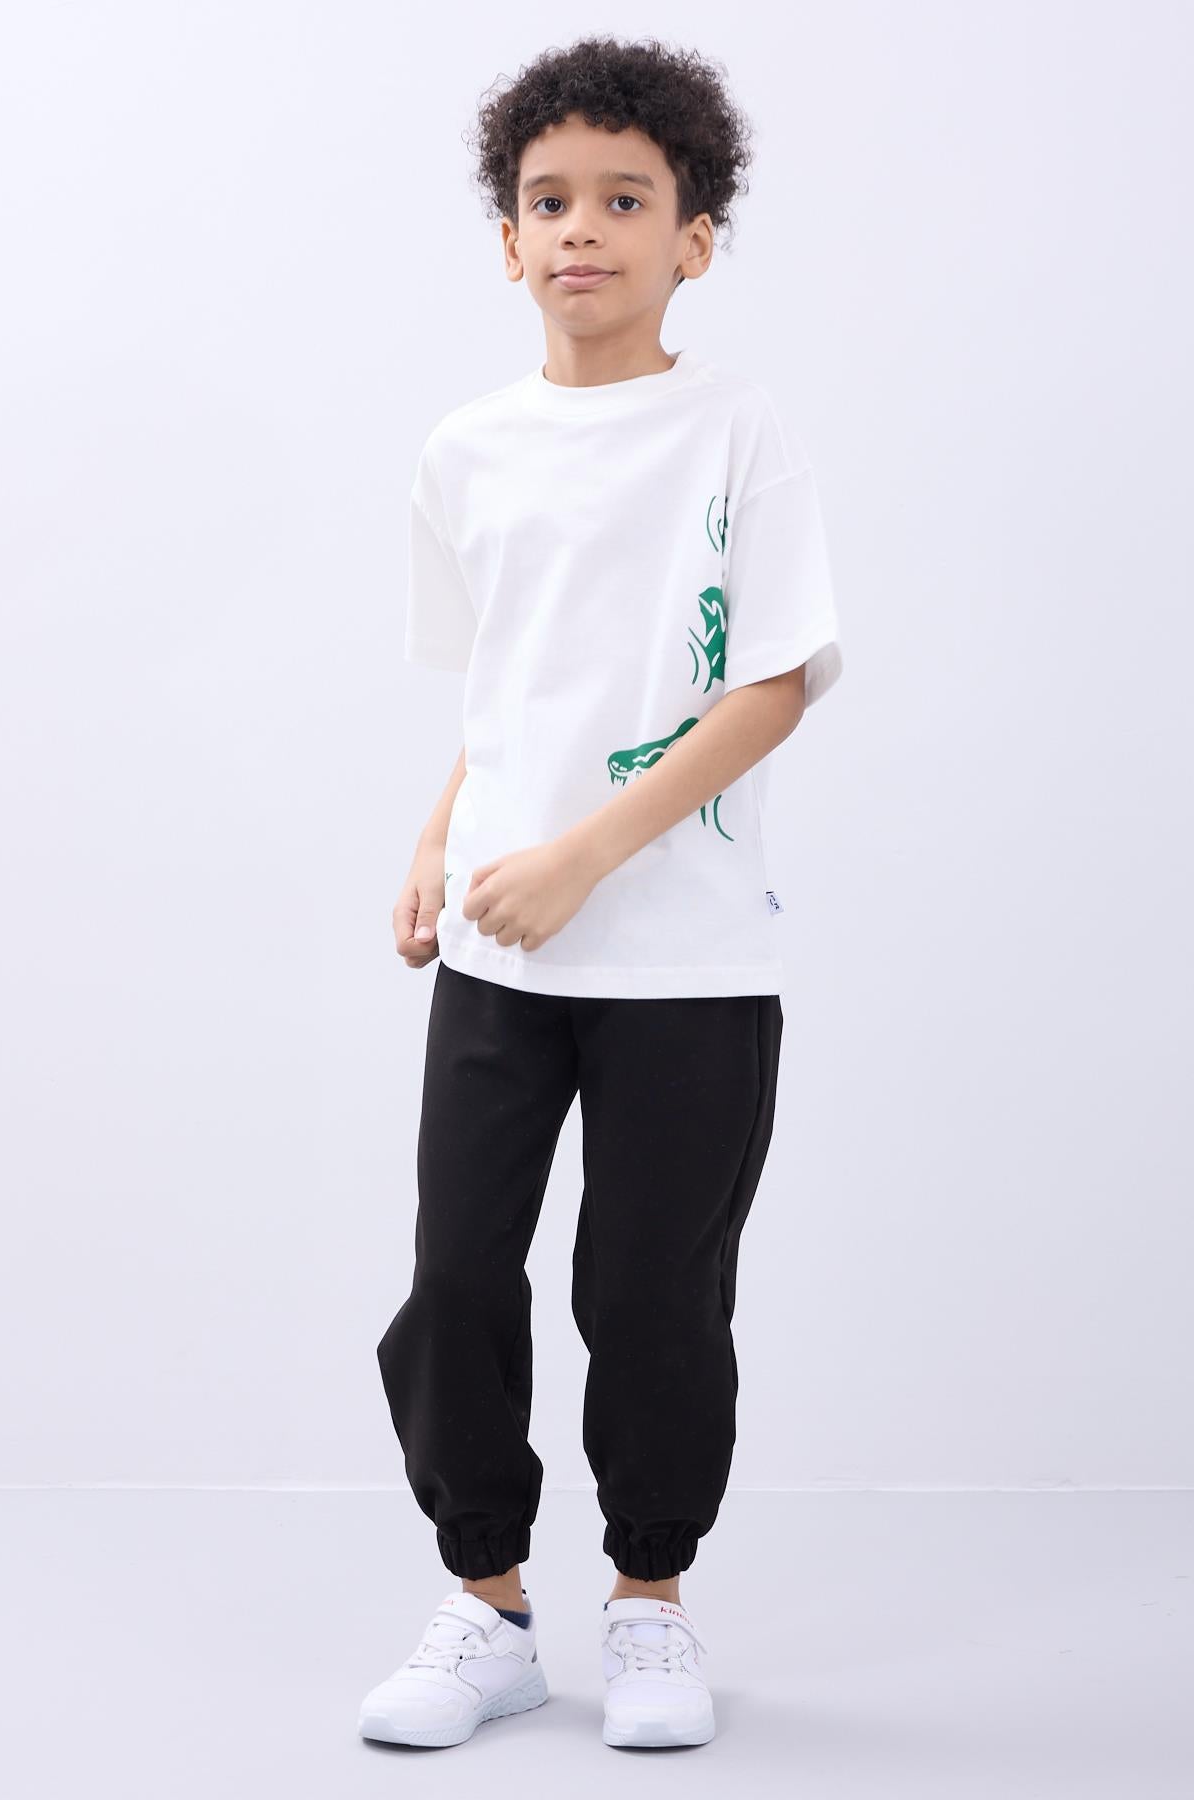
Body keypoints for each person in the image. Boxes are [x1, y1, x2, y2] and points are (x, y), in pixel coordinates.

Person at [359, 34, 844, 1753]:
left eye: (626, 200)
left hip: (687, 965)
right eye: (549, 200)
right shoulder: (466, 450)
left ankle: (650, 1603)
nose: (583, 227)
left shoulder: (735, 431)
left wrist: (583, 854)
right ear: (509, 243)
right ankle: (487, 1606)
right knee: (455, 1276)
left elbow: (770, 688)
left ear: (693, 238)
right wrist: (443, 836)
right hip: (501, 953)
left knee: (650, 1297)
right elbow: (509, 692)